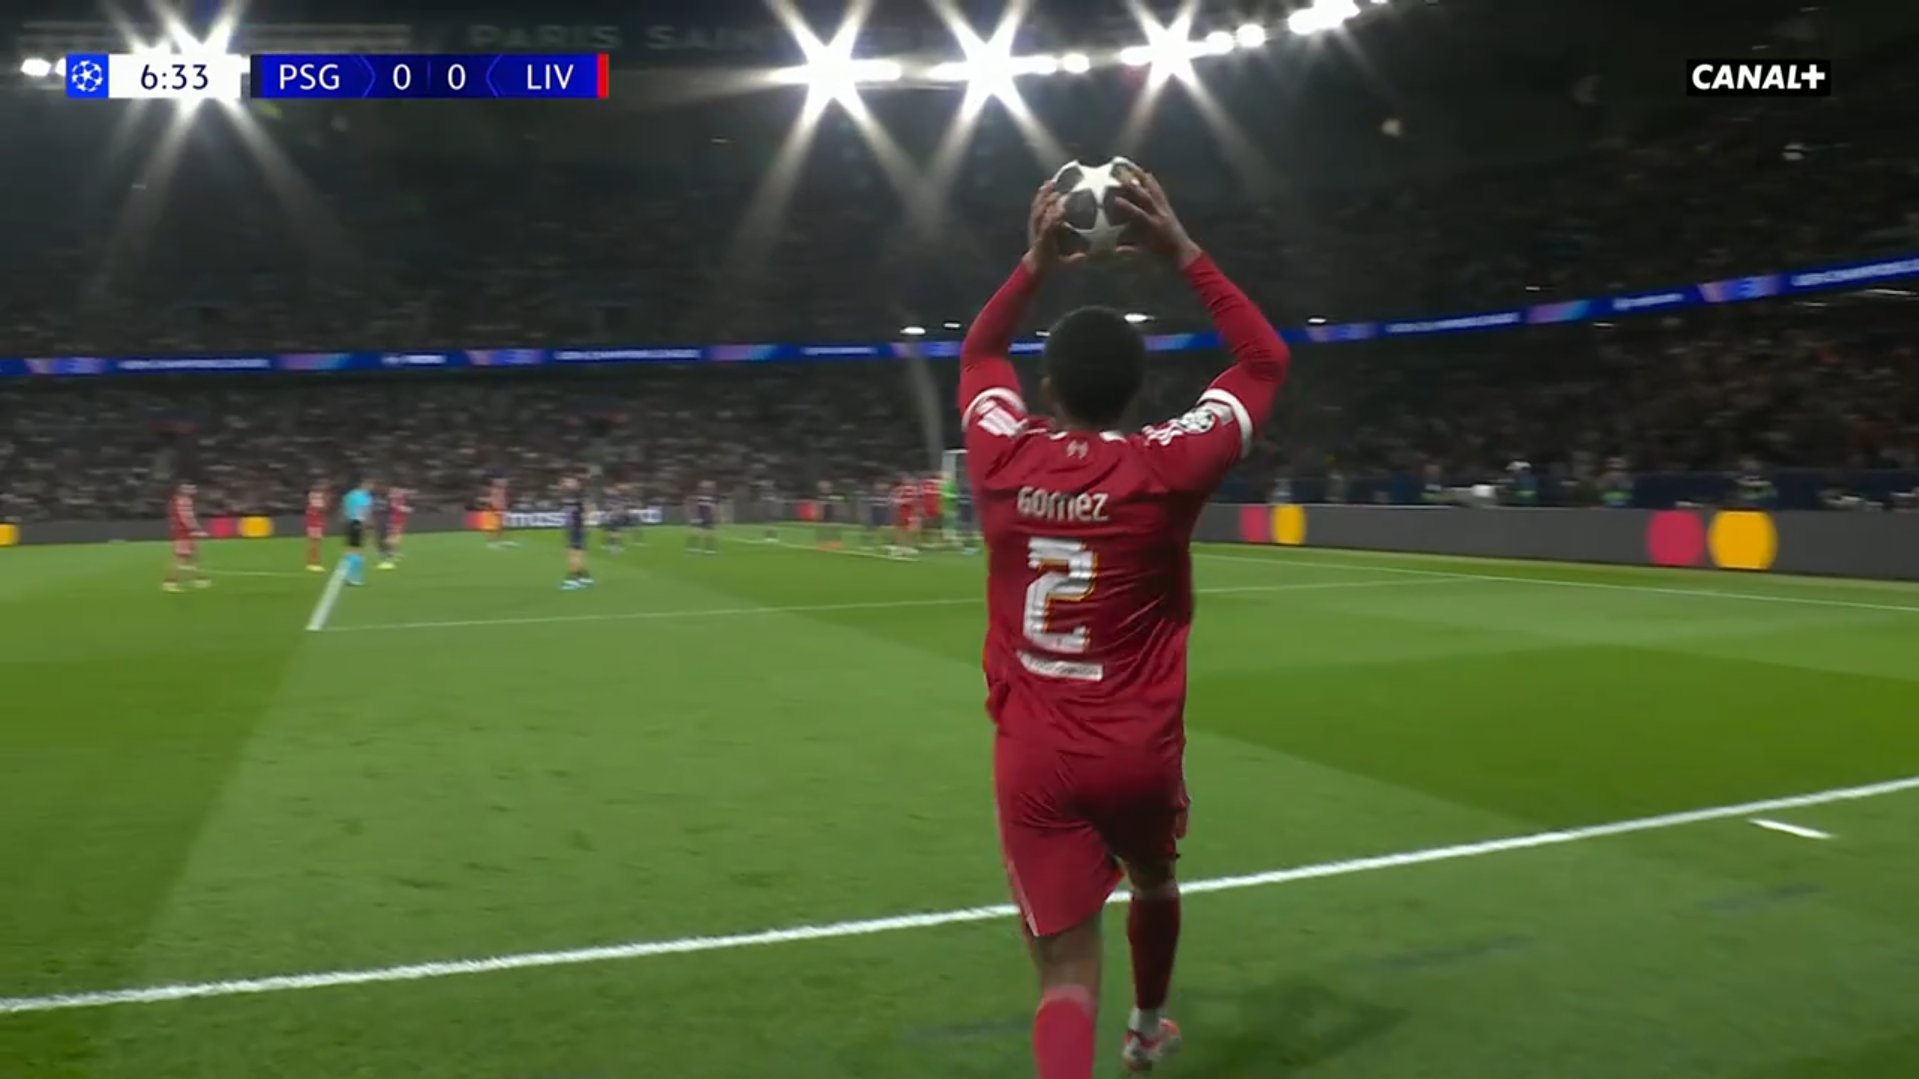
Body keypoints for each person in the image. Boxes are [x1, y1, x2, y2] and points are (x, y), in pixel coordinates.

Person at [959, 172, 1289, 1078]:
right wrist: (1182, 251)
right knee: (1154, 879)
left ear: (1047, 386)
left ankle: (1099, 1040)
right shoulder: (1164, 467)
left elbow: (979, 355)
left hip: (1035, 752)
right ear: (1141, 389)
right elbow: (1263, 361)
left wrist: (1033, 264)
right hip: (1137, 750)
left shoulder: (1000, 453)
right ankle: (1145, 1030)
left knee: (1065, 973)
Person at [163, 481, 209, 592]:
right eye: (190, 488)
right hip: (183, 532)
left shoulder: (177, 500)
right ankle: (170, 581)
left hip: (183, 531)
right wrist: (195, 529)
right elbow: (186, 517)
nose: (193, 490)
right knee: (181, 556)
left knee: (192, 555)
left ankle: (198, 578)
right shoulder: (183, 501)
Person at [561, 476, 594, 590]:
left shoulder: (580, 495)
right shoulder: (567, 495)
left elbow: (590, 508)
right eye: (566, 482)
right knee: (575, 553)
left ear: (577, 484)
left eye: (570, 481)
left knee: (574, 554)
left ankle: (572, 579)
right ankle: (584, 576)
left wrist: (588, 522)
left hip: (578, 527)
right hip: (571, 527)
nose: (567, 483)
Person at [341, 478, 375, 587]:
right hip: (359, 523)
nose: (371, 488)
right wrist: (368, 527)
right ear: (364, 484)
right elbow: (365, 512)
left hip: (351, 523)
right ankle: (355, 578)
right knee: (358, 551)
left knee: (351, 550)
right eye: (370, 485)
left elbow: (345, 507)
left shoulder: (350, 495)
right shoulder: (365, 497)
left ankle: (349, 576)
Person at [379, 484, 410, 569]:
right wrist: (404, 508)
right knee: (392, 539)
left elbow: (403, 506)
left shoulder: (401, 498)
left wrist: (405, 508)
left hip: (399, 521)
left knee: (396, 538)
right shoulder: (393, 500)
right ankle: (389, 553)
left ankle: (393, 553)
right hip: (395, 521)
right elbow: (396, 507)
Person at [304, 481, 329, 573]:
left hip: (315, 523)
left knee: (315, 544)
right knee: (315, 544)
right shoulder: (316, 497)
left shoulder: (314, 497)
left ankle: (313, 563)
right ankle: (314, 563)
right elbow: (321, 508)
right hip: (314, 524)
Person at [688, 480, 719, 556]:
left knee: (709, 534)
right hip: (700, 515)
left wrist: (715, 516)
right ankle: (694, 549)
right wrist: (693, 516)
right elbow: (693, 506)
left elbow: (713, 507)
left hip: (707, 516)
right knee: (696, 533)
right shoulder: (697, 496)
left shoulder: (712, 497)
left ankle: (708, 549)